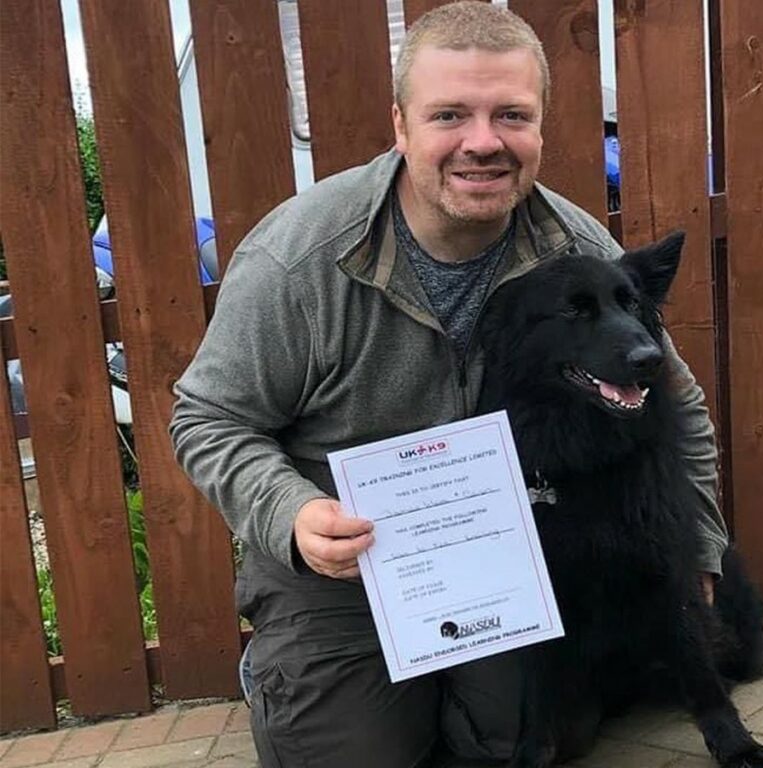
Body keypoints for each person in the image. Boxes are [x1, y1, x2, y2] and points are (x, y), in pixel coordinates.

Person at [169, 3, 728, 766]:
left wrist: (701, 551)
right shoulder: (298, 261)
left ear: (540, 128)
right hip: (346, 561)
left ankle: (444, 689)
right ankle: (293, 672)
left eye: (511, 115)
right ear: (401, 126)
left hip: (499, 549)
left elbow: (677, 398)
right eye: (449, 115)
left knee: (533, 739)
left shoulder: (573, 245)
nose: (483, 142)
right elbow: (207, 418)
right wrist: (294, 515)